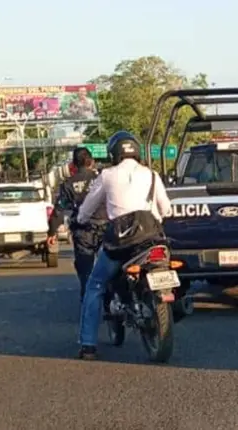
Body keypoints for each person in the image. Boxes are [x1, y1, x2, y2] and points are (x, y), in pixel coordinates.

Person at [75, 131, 172, 360]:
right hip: (151, 240)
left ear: (113, 152)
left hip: (121, 244)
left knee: (95, 285)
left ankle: (88, 344)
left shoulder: (107, 175)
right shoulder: (152, 175)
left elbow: (89, 207)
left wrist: (81, 219)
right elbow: (166, 209)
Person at [47, 148, 108, 301]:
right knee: (112, 267)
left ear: (73, 164)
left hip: (83, 232)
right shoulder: (102, 178)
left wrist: (52, 233)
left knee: (85, 272)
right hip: (108, 229)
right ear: (91, 161)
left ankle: (89, 305)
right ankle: (113, 302)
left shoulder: (68, 184)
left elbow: (59, 210)